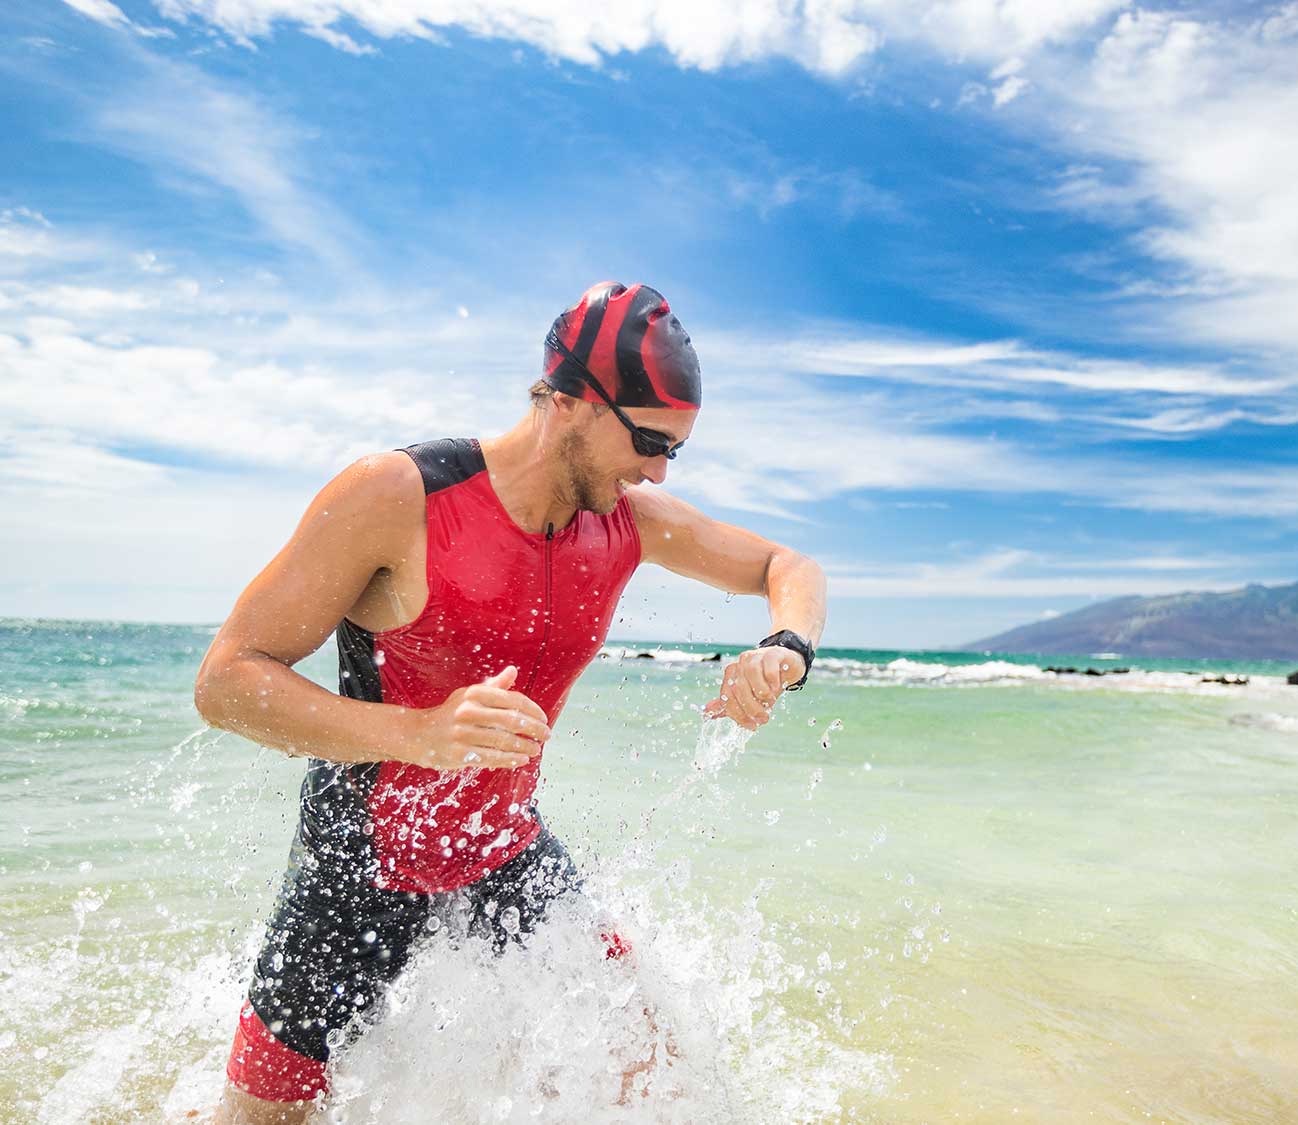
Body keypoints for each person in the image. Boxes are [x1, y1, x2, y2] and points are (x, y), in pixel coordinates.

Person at [194, 281, 826, 1124]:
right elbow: (227, 679)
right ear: (569, 402)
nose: (659, 468)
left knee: (657, 1073)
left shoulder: (628, 522)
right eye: (647, 440)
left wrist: (784, 649)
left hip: (503, 851)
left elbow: (789, 565)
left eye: (675, 449)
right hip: (357, 870)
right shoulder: (399, 497)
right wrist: (418, 733)